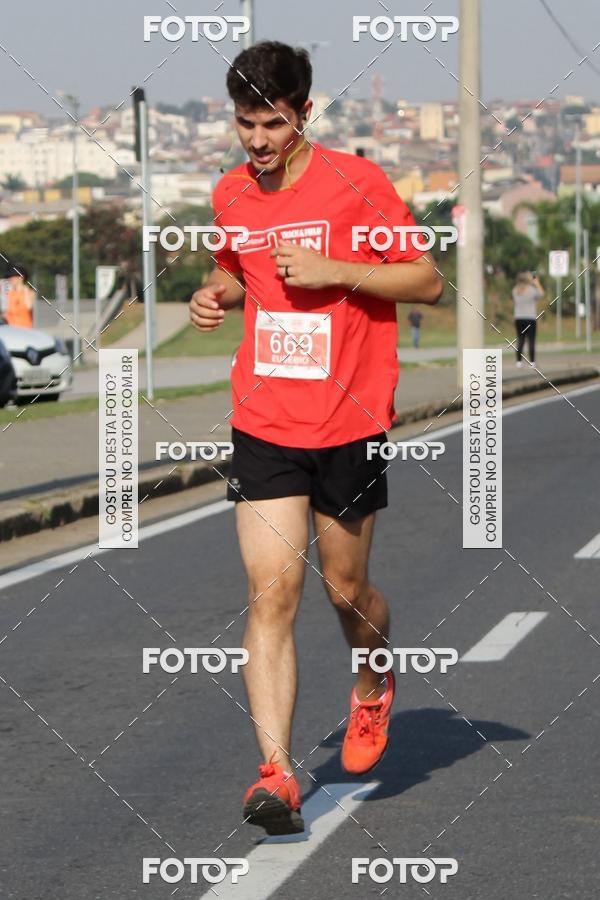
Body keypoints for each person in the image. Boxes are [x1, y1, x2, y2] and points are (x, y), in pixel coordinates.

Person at [189, 41, 442, 836]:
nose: (258, 140)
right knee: (272, 593)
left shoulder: (357, 182)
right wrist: (214, 294)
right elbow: (237, 268)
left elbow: (426, 280)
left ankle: (372, 681)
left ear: (304, 112)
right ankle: (276, 774)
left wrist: (337, 269)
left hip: (348, 419)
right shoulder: (230, 192)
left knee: (345, 591)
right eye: (245, 124)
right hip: (264, 419)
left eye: (273, 123)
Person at [512, 271, 544, 368]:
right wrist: (537, 283)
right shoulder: (531, 290)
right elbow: (542, 294)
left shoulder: (515, 290)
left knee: (520, 339)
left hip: (519, 318)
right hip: (530, 318)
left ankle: (518, 362)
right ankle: (532, 362)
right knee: (531, 340)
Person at [3, 264, 34, 329]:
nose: (10, 279)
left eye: (13, 277)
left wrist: (25, 291)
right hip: (10, 330)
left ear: (21, 277)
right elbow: (5, 313)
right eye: (9, 277)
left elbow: (29, 307)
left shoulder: (29, 292)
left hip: (24, 330)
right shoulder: (9, 294)